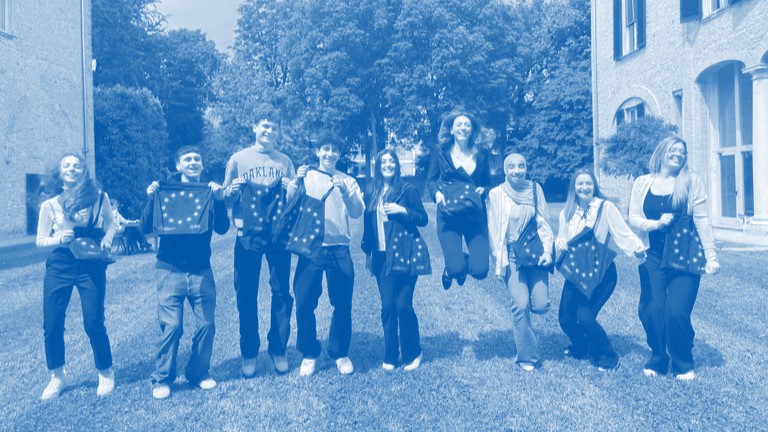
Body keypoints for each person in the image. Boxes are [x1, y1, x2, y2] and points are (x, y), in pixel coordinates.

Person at [628, 136, 720, 380]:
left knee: (676, 312)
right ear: (662, 152)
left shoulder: (691, 181)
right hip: (652, 255)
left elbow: (702, 220)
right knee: (651, 310)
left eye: (682, 152)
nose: (678, 154)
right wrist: (656, 224)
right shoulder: (642, 183)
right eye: (673, 150)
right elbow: (633, 217)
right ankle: (659, 358)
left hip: (684, 255)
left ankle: (683, 362)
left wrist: (711, 256)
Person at [142, 146, 230, 399]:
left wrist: (220, 200)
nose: (193, 162)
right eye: (187, 159)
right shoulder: (164, 192)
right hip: (169, 269)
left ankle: (198, 372)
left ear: (201, 165)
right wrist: (151, 199)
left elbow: (223, 228)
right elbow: (145, 227)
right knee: (172, 326)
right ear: (178, 166)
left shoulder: (209, 193)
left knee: (207, 325)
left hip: (201, 270)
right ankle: (162, 378)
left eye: (197, 159)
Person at [35, 153, 117, 400]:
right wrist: (58, 239)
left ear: (84, 171)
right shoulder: (50, 205)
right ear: (60, 173)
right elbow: (40, 241)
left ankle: (105, 371)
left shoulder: (99, 197)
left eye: (77, 165)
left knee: (93, 320)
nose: (72, 168)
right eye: (67, 165)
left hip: (90, 263)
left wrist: (107, 239)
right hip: (60, 264)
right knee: (52, 322)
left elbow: (111, 224)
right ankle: (57, 376)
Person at [222, 117, 296, 377]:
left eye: (274, 128)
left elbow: (293, 198)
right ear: (254, 128)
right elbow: (225, 196)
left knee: (281, 291)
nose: (269, 131)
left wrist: (290, 189)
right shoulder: (238, 159)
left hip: (278, 233)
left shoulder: (284, 161)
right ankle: (249, 352)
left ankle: (278, 348)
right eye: (265, 126)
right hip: (248, 234)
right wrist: (233, 191)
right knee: (246, 292)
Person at [555, 168, 646, 371]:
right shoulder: (566, 212)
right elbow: (561, 237)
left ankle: (607, 355)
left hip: (601, 274)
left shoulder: (605, 208)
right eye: (580, 183)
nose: (584, 187)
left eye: (588, 183)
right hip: (576, 274)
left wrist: (637, 248)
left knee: (585, 317)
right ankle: (581, 347)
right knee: (566, 319)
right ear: (573, 187)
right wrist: (559, 243)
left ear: (594, 186)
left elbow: (623, 233)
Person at [291, 131, 365, 377]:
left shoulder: (348, 180)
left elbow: (356, 212)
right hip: (310, 247)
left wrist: (346, 192)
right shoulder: (306, 175)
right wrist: (295, 181)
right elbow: (289, 203)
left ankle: (340, 353)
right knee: (304, 301)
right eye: (326, 149)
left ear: (339, 154)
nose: (330, 153)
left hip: (339, 247)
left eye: (334, 150)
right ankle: (309, 353)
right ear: (318, 152)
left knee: (342, 302)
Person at [361, 150, 431, 371]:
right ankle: (390, 355)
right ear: (378, 166)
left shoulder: (407, 190)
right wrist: (368, 256)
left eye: (392, 161)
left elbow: (423, 218)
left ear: (397, 165)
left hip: (405, 253)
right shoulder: (371, 191)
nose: (388, 164)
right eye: (384, 161)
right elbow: (368, 227)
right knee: (388, 306)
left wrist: (403, 210)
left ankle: (413, 352)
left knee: (403, 305)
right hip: (381, 257)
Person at [486, 153, 554, 371]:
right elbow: (494, 230)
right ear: (505, 170)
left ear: (526, 168)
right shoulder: (496, 194)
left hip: (535, 255)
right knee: (520, 305)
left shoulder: (535, 189)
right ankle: (528, 357)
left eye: (521, 166)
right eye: (512, 167)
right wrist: (499, 262)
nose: (517, 170)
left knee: (541, 305)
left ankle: (527, 314)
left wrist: (548, 251)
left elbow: (545, 223)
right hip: (512, 255)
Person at [426, 109, 492, 290]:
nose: (463, 128)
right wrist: (437, 194)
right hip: (448, 215)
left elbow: (488, 183)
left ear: (472, 130)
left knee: (480, 271)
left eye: (467, 125)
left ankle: (459, 262)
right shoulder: (440, 151)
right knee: (456, 269)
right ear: (452, 129)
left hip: (474, 216)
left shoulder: (482, 154)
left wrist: (484, 190)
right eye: (459, 124)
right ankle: (454, 266)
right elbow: (431, 180)